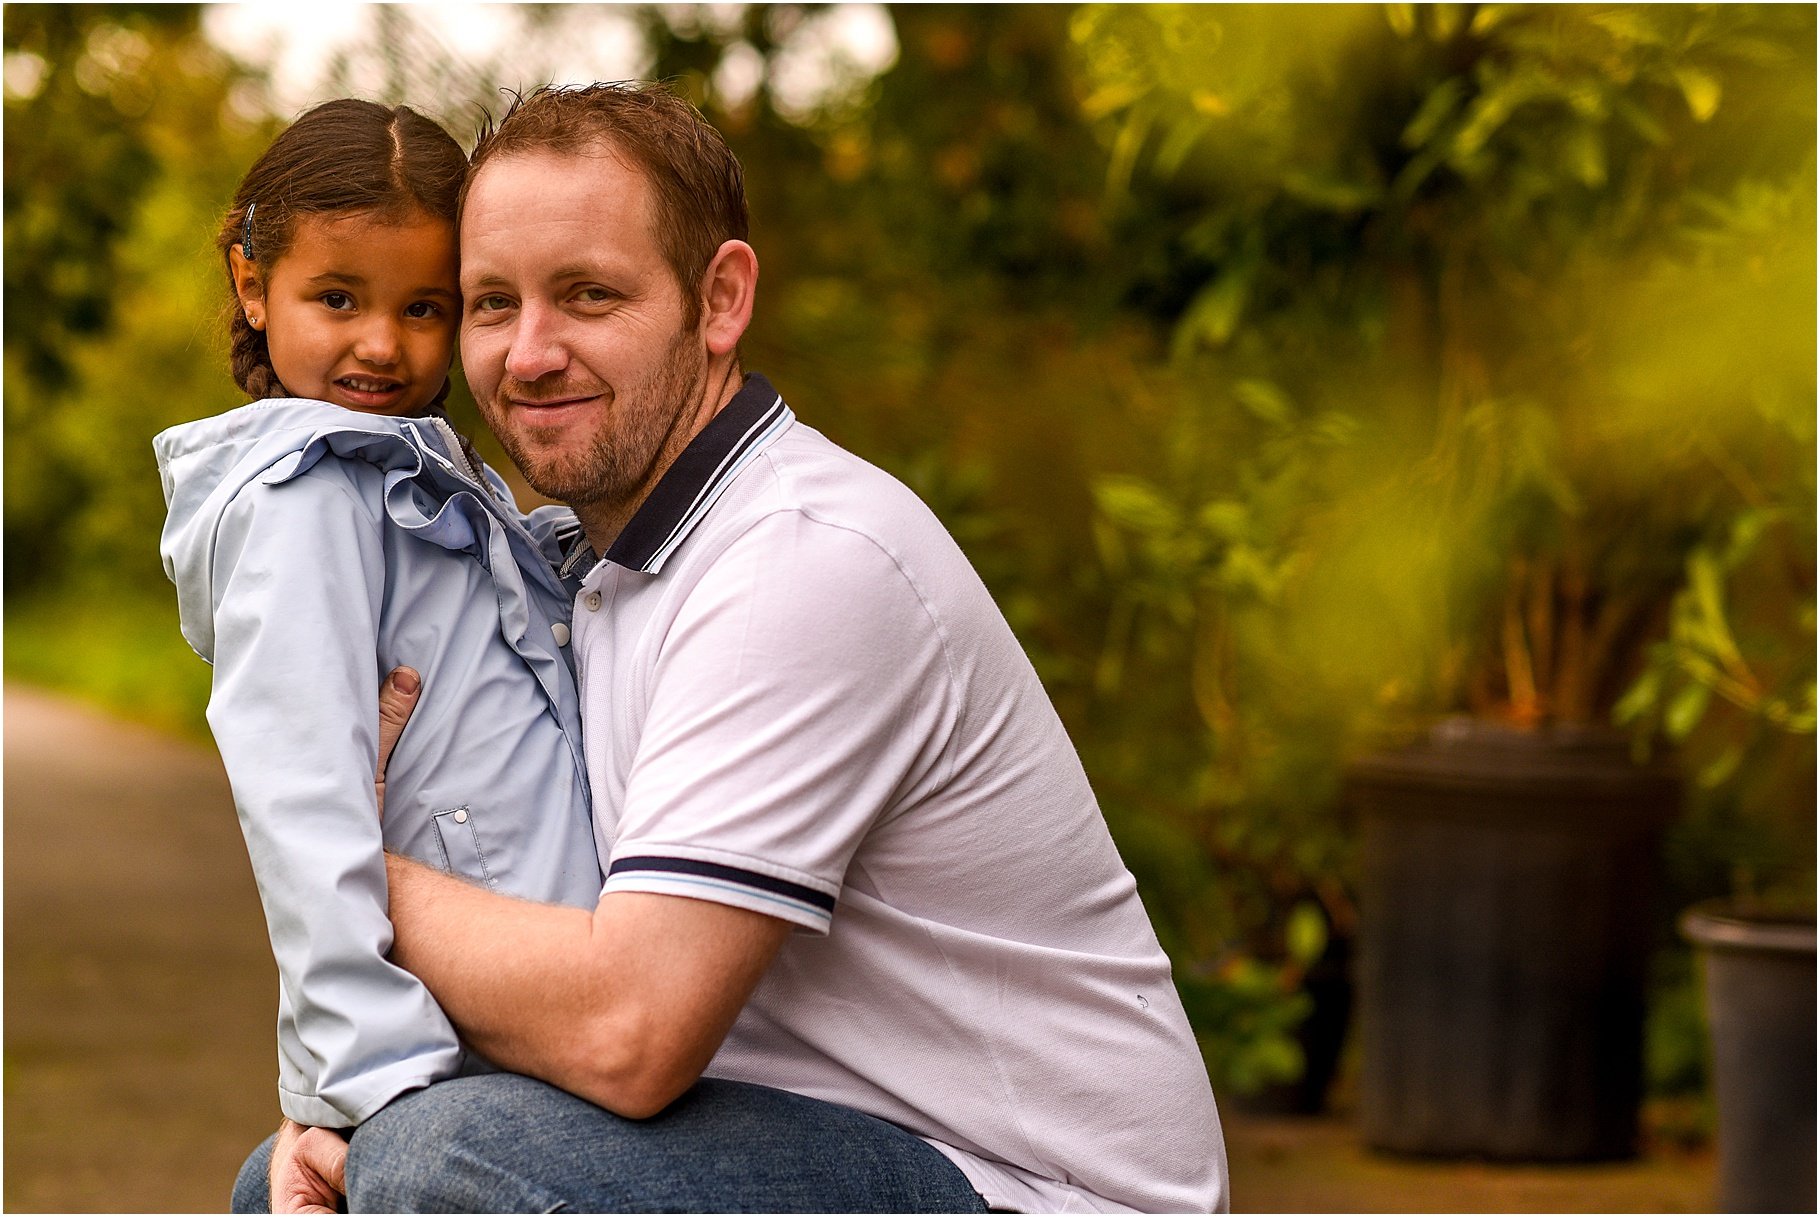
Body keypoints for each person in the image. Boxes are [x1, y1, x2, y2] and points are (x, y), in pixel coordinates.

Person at [257, 81, 1229, 1214]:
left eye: (586, 294)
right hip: (786, 1134)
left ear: (718, 300)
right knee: (308, 1168)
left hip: (1025, 1183)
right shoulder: (572, 569)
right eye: (487, 303)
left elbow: (628, 1030)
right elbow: (521, 923)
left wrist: (326, 856)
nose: (527, 354)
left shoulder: (802, 562)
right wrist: (349, 1082)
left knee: (441, 1163)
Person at [153, 99, 602, 1211]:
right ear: (254, 283)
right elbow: (304, 803)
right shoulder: (303, 498)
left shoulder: (416, 469)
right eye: (337, 298)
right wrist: (377, 1088)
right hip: (448, 1046)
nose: (381, 344)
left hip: (541, 985)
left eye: (424, 308)